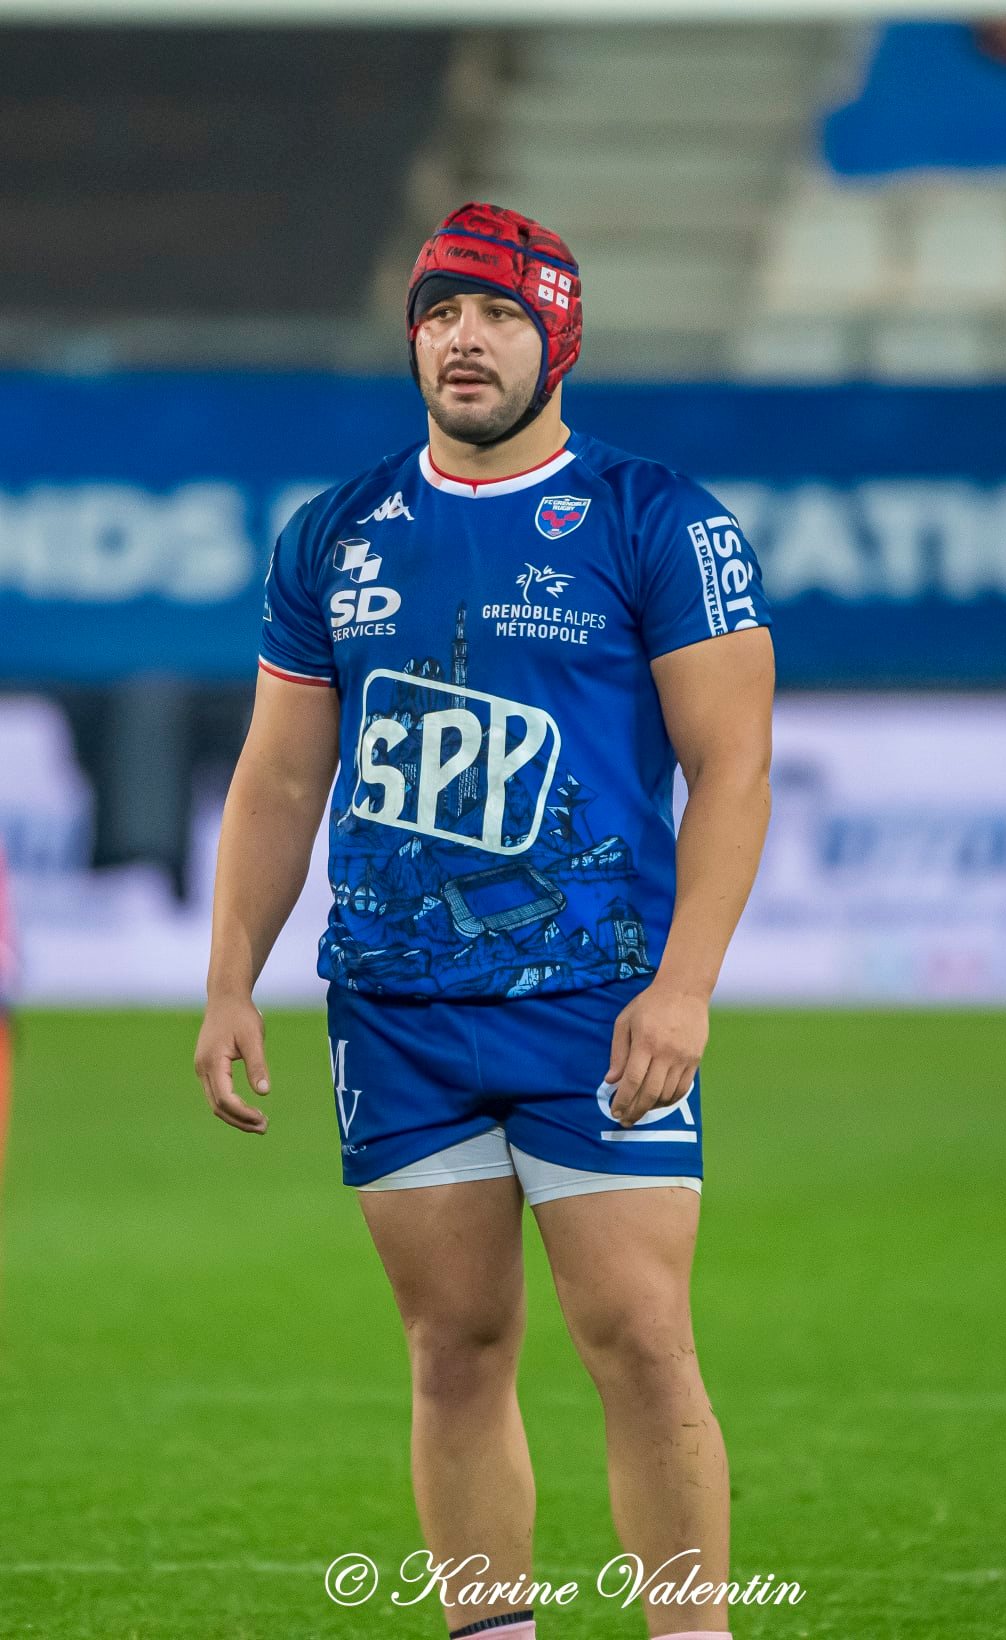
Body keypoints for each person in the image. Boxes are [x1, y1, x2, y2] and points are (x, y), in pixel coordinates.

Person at [195, 202, 774, 1640]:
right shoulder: (333, 534)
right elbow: (277, 779)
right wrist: (226, 985)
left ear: (556, 336)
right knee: (452, 1350)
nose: (463, 338)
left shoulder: (657, 519)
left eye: (499, 313)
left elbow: (732, 766)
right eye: (440, 313)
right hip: (394, 1008)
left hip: (593, 1000)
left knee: (636, 1343)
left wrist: (684, 987)